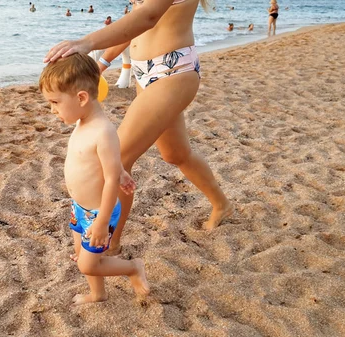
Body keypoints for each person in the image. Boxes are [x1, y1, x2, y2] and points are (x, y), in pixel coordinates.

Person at [44, 0, 233, 258]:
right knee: (176, 154)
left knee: (118, 158)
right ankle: (221, 204)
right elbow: (135, 21)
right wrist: (104, 62)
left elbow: (149, 16)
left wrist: (86, 42)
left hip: (173, 69)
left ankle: (110, 243)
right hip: (145, 71)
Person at [39, 53, 149, 305]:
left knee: (88, 265)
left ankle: (133, 267)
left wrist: (101, 222)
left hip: (99, 213)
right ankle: (98, 294)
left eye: (55, 102)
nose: (52, 109)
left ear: (81, 98)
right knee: (81, 254)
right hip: (80, 207)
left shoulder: (103, 130)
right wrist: (121, 170)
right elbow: (106, 163)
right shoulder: (83, 121)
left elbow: (110, 182)